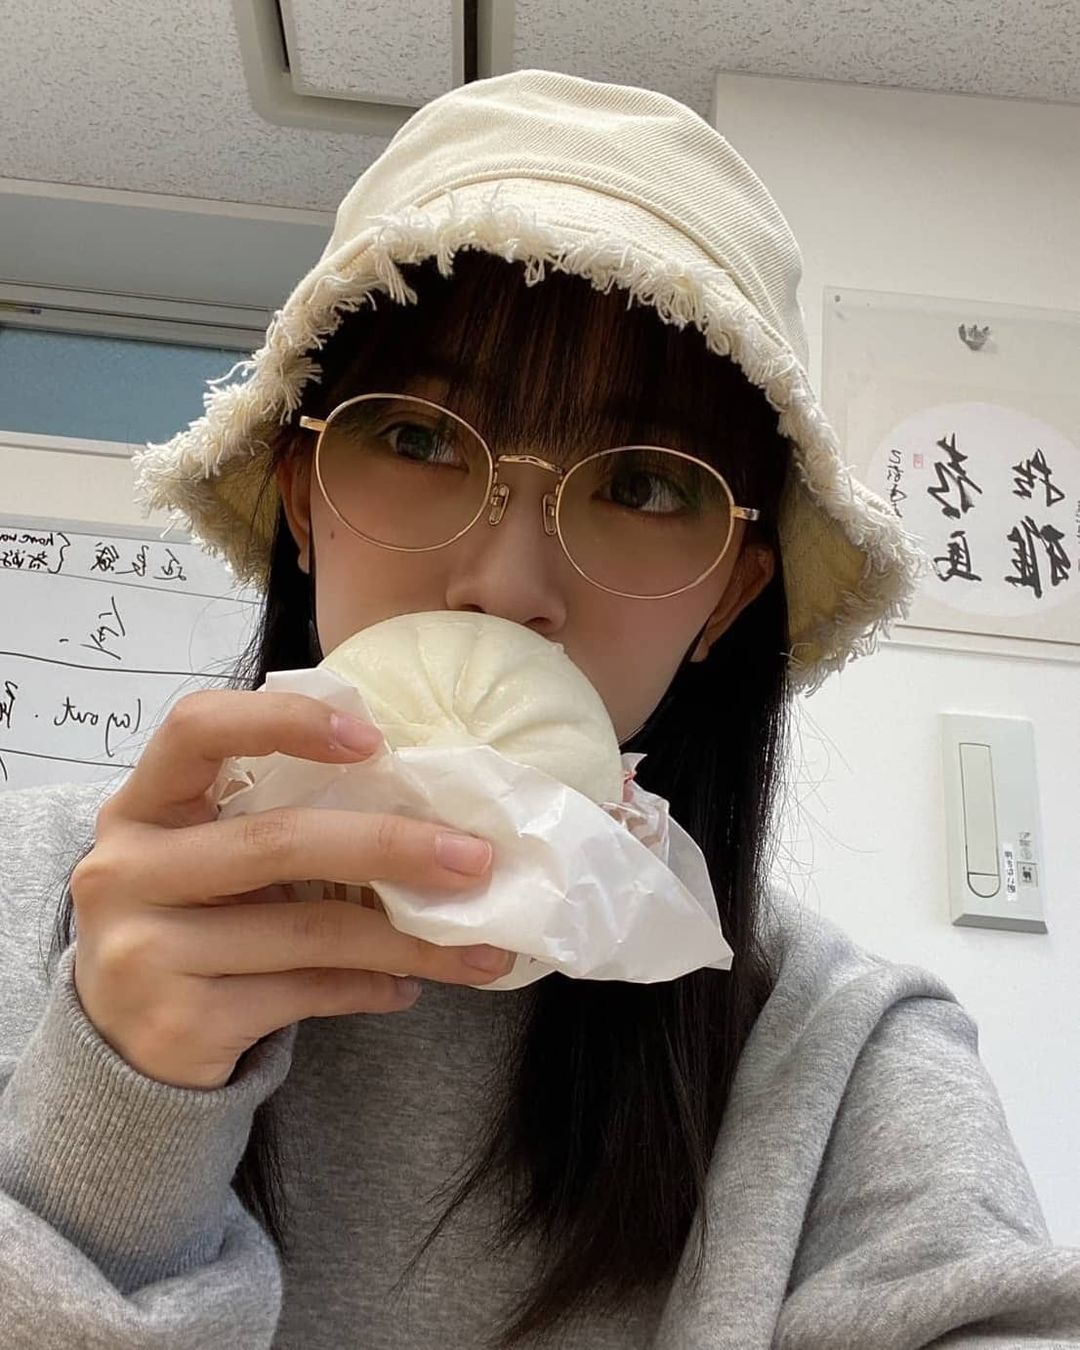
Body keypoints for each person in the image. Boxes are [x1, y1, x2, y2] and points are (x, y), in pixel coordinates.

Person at [1, 68, 1077, 1350]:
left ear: (728, 598)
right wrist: (119, 1118)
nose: (508, 586)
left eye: (641, 484)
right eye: (419, 440)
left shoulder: (840, 1056)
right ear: (301, 497)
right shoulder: (30, 891)